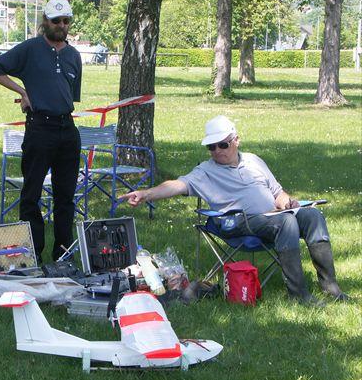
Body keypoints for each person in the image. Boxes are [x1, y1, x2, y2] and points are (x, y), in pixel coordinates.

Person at [121, 115, 349, 305]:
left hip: (273, 216)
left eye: (223, 144)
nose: (217, 151)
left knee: (313, 216)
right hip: (237, 222)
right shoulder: (205, 171)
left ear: (236, 140)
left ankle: (331, 288)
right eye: (212, 147)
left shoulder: (254, 161)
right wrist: (146, 194)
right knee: (287, 222)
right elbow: (176, 185)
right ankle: (299, 295)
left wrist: (287, 202)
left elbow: (278, 193)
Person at [0, 0, 82, 262]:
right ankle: (31, 256)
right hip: (40, 129)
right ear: (45, 21)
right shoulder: (30, 48)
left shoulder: (74, 55)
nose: (62, 25)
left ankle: (63, 256)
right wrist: (23, 91)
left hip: (67, 131)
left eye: (66, 21)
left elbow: (70, 96)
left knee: (66, 198)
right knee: (31, 196)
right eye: (56, 21)